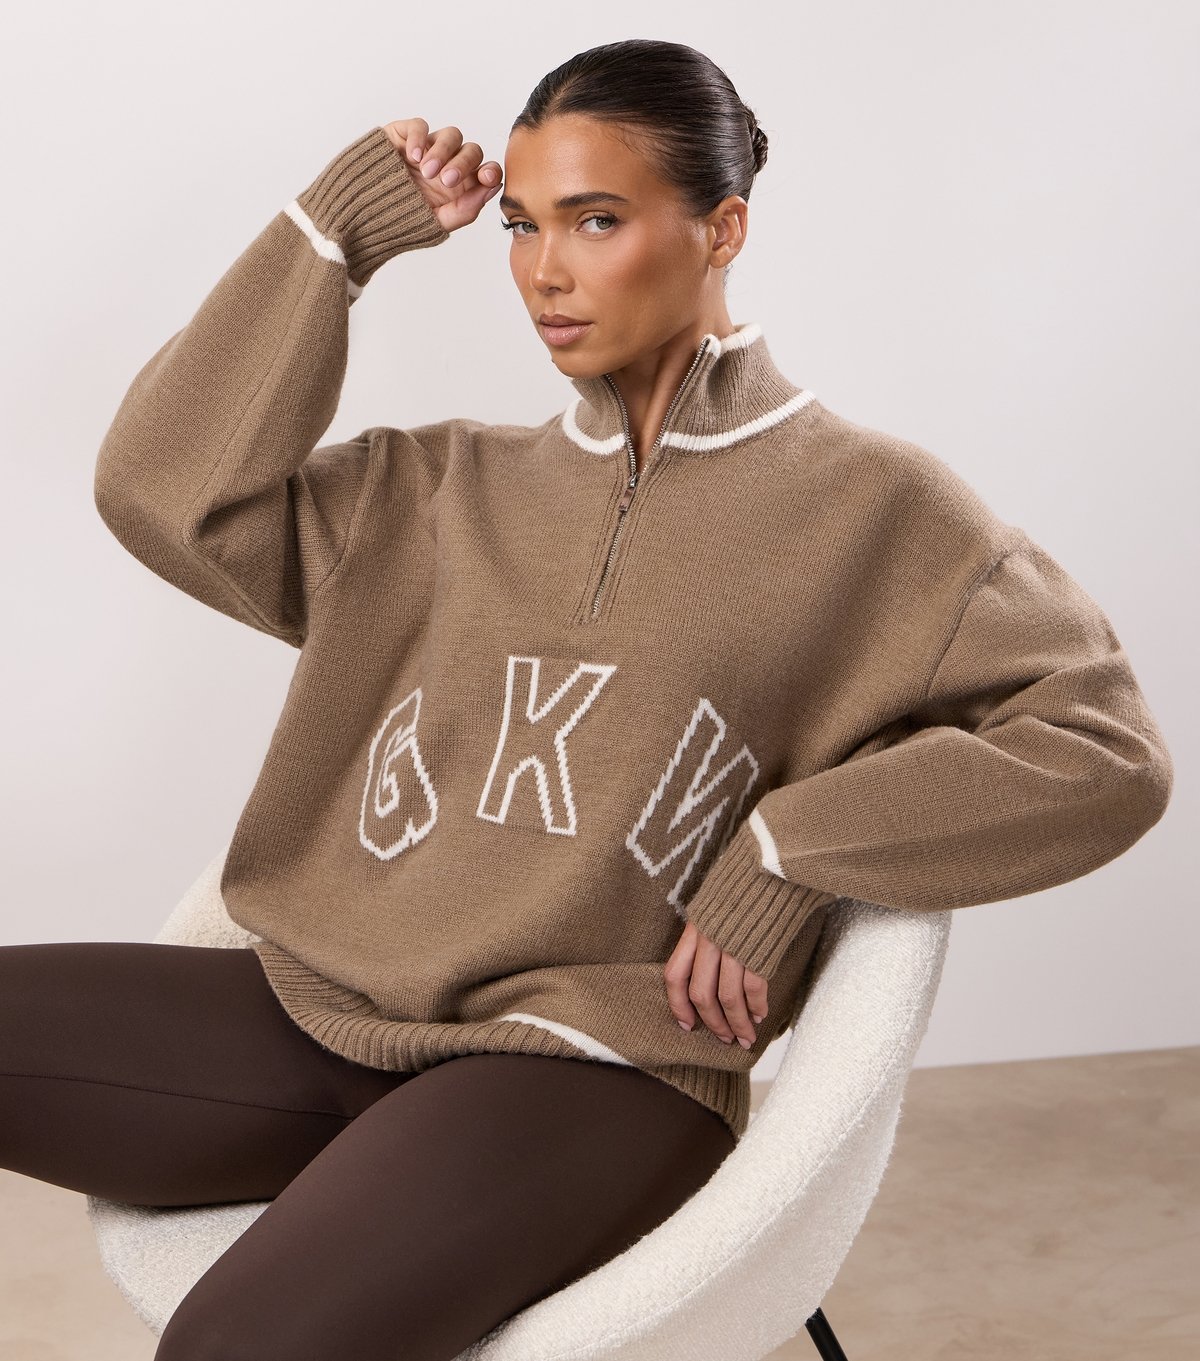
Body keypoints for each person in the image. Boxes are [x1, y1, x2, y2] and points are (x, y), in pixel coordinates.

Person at [1, 36, 1173, 1361]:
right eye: (522, 225)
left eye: (596, 220)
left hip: (592, 1072)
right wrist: (335, 236)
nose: (544, 271)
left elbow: (1105, 750)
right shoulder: (434, 489)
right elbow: (161, 489)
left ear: (722, 228)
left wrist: (789, 847)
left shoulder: (877, 512)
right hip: (324, 1015)